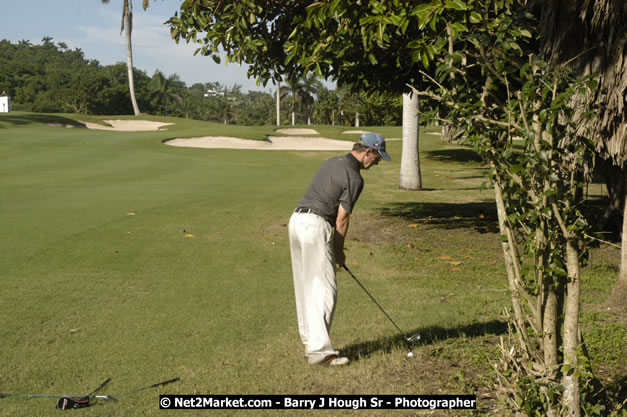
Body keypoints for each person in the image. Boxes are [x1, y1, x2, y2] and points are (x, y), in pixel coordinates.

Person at [288, 132, 391, 366]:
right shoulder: (355, 178)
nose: (376, 163)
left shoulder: (332, 161)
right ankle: (320, 352)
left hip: (295, 222)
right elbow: (342, 219)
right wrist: (339, 251)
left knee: (306, 286)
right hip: (315, 225)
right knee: (325, 289)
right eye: (377, 158)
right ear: (368, 152)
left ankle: (310, 342)